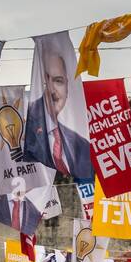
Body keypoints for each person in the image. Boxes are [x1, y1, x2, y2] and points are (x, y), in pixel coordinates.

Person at [22, 46, 92, 180]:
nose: (52, 90)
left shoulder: (81, 143)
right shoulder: (27, 128)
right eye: (44, 82)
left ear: (67, 86)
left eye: (58, 81)